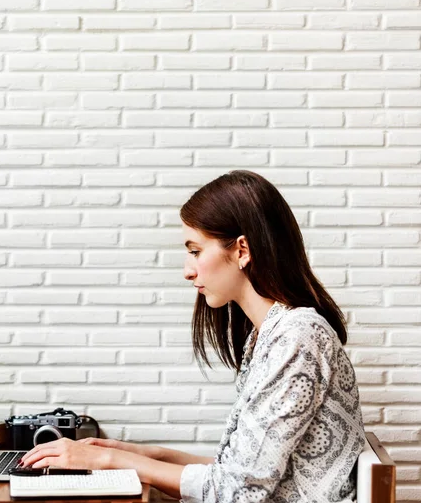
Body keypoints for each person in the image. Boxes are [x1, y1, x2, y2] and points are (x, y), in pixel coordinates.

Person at [20, 170, 367, 502]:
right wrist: (136, 453)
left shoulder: (297, 338)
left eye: (196, 251)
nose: (188, 271)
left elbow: (235, 493)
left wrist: (108, 462)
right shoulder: (269, 334)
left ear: (242, 250)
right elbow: (236, 474)